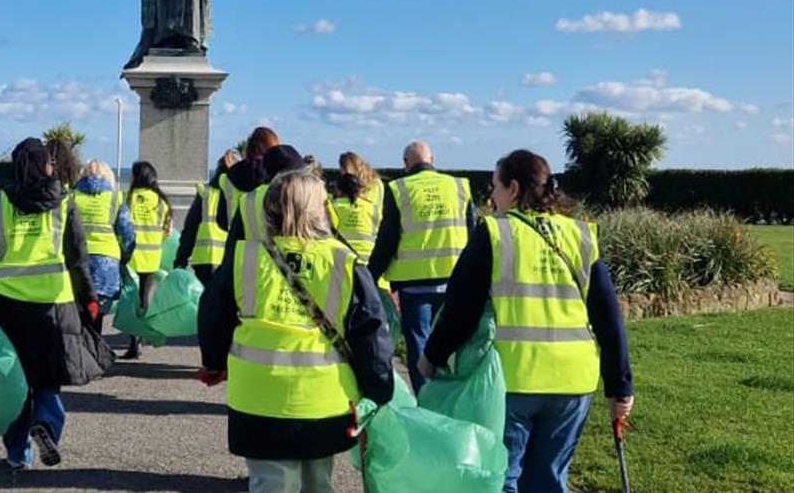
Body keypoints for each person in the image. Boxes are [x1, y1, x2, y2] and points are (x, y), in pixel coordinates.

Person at [420, 149, 634, 493]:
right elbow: (608, 317)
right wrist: (619, 385)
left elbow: (460, 310)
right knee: (549, 480)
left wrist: (432, 356)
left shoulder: (494, 233)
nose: (492, 196)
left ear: (514, 189)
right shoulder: (580, 235)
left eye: (495, 187)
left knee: (503, 477)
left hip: (513, 379)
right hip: (572, 382)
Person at [198, 169, 395, 493]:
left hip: (258, 398)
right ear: (319, 210)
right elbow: (371, 334)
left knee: (270, 484)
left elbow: (213, 316)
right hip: (323, 399)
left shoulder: (245, 257)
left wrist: (216, 362)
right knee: (317, 482)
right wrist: (378, 390)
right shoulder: (344, 263)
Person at [0, 138, 101, 469]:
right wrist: (90, 300)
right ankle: (47, 425)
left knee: (13, 381)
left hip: (7, 307)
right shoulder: (65, 202)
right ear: (46, 166)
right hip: (54, 305)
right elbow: (78, 258)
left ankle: (16, 453)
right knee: (48, 377)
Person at [367, 140, 475, 392]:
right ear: (432, 159)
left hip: (414, 285)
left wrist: (370, 275)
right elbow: (472, 234)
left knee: (419, 343)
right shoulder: (459, 186)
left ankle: (425, 399)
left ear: (406, 164)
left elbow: (387, 240)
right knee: (453, 340)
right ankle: (450, 394)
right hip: (453, 280)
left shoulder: (398, 189)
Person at [71, 158, 136, 333]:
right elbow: (128, 234)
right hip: (106, 264)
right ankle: (94, 351)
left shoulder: (72, 197)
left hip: (77, 263)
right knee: (97, 313)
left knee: (77, 313)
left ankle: (79, 352)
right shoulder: (116, 198)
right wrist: (124, 257)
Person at [221, 144, 307, 265]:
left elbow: (232, 248)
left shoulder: (248, 199)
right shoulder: (309, 196)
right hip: (298, 268)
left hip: (253, 267)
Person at [122, 160, 174, 359]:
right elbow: (167, 231)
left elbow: (123, 225)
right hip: (151, 257)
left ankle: (134, 341)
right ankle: (141, 339)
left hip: (132, 256)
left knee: (130, 301)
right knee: (144, 300)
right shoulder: (161, 202)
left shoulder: (130, 199)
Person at [174, 149, 241, 286]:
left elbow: (191, 228)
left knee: (206, 303)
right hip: (232, 261)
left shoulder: (206, 193)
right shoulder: (242, 196)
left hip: (205, 260)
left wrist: (181, 258)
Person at [215, 127, 280, 234]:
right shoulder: (278, 179)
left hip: (238, 246)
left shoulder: (227, 178)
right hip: (269, 246)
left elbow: (222, 221)